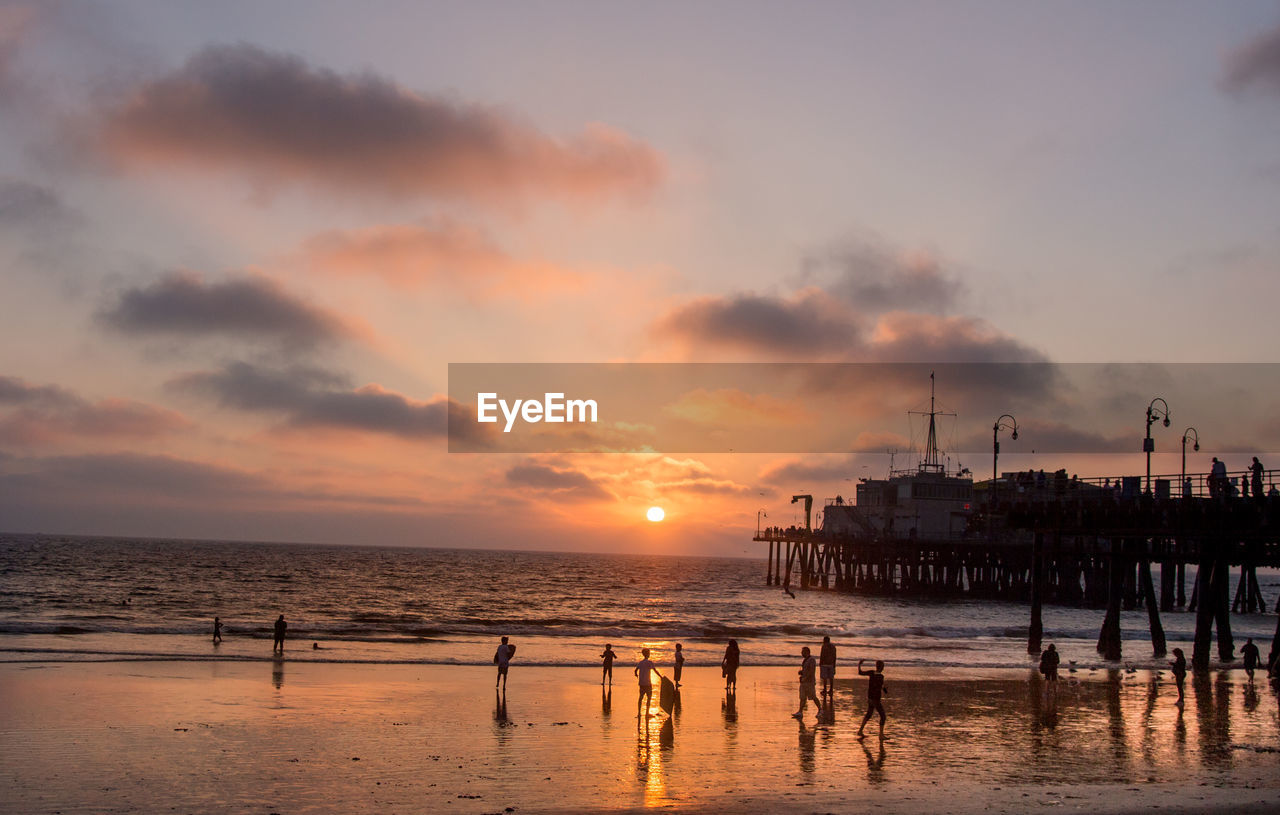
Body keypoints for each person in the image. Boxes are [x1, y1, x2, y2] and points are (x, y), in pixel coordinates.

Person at [857, 659, 888, 738]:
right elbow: (882, 688)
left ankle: (860, 731)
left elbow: (860, 672)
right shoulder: (881, 677)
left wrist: (859, 665)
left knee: (869, 714)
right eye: (883, 666)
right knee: (883, 716)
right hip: (876, 699)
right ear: (881, 667)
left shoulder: (871, 673)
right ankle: (881, 735)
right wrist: (885, 689)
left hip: (870, 698)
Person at [635, 647, 664, 721]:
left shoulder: (640, 662)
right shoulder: (649, 662)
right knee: (649, 698)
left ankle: (639, 713)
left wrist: (636, 675)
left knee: (640, 698)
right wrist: (661, 677)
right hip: (648, 683)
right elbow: (655, 671)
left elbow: (635, 670)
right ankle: (647, 713)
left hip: (641, 683)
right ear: (648, 654)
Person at [793, 646, 821, 719]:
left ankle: (820, 710)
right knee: (802, 697)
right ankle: (800, 712)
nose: (801, 653)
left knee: (813, 697)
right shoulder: (805, 660)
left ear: (807, 652)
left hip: (809, 682)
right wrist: (801, 673)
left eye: (803, 652)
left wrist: (805, 678)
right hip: (803, 682)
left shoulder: (811, 660)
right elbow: (806, 670)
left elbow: (811, 671)